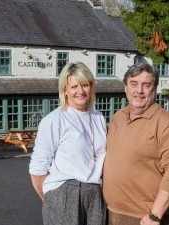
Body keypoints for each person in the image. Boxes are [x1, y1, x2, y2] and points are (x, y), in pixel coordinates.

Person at [103, 63, 169, 225]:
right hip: (109, 210)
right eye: (133, 84)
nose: (139, 91)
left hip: (142, 217)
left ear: (154, 89)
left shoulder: (166, 123)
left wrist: (155, 215)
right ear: (125, 87)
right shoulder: (117, 117)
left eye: (146, 85)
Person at [29, 62, 107, 225]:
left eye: (85, 85)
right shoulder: (54, 120)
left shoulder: (98, 117)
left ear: (91, 87)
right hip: (64, 192)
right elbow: (37, 168)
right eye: (74, 86)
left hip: (94, 193)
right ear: (65, 90)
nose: (80, 91)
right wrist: (52, 197)